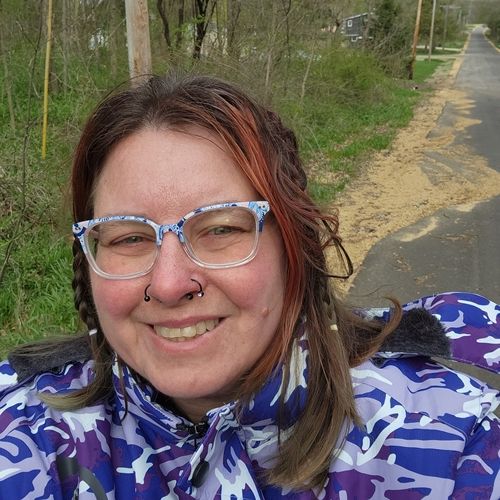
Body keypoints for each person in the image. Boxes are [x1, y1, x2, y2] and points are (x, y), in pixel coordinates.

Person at [0, 73, 499, 499]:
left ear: (294, 244)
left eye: (221, 229)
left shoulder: (458, 441)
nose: (169, 284)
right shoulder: (28, 432)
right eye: (129, 237)